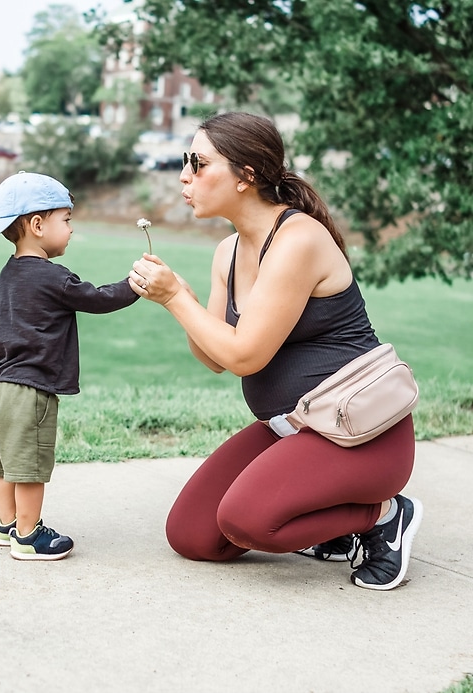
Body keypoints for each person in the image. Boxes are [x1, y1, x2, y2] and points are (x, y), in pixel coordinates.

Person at [128, 112, 423, 591]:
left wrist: (175, 298)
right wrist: (180, 301)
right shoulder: (229, 250)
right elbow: (216, 359)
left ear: (245, 175)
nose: (184, 174)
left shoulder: (298, 239)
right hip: (294, 429)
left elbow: (246, 357)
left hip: (360, 434)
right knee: (193, 536)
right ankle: (330, 520)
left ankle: (381, 516)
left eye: (198, 163)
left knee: (248, 520)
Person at [0, 171, 140, 561]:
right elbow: (97, 298)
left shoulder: (5, 276)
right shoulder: (54, 278)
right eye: (66, 219)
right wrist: (135, 284)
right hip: (31, 390)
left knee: (3, 463)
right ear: (37, 225)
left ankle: (6, 523)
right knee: (29, 466)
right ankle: (29, 535)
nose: (71, 229)